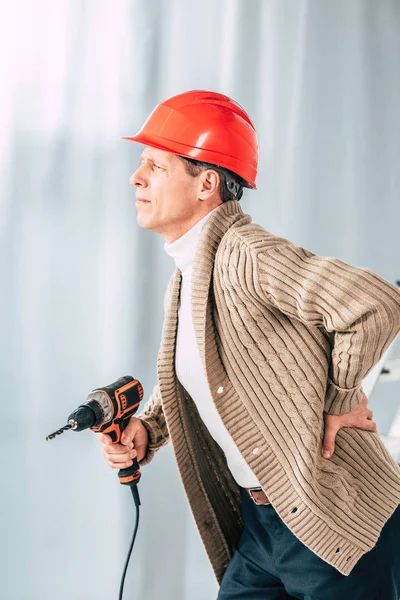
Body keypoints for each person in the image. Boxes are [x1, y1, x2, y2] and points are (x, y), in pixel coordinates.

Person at [98, 90, 400, 599]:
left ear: (206, 183)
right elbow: (218, 380)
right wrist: (148, 430)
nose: (137, 177)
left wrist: (339, 399)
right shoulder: (192, 272)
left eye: (156, 165)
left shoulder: (247, 256)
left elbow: (375, 302)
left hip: (333, 515)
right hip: (265, 524)